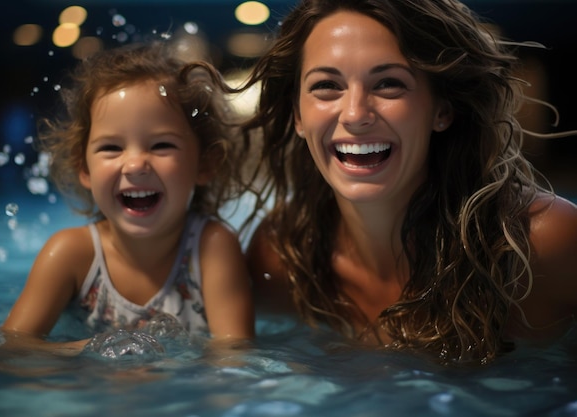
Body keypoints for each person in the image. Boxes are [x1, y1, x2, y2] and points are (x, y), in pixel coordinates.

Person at [238, 0, 577, 365]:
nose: (354, 114)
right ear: (298, 116)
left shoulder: (544, 244)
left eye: (388, 84)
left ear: (442, 110)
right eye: (326, 85)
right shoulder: (284, 258)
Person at [0, 41, 255, 354]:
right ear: (85, 169)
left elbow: (235, 359)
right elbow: (9, 351)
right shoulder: (70, 256)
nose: (135, 165)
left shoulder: (212, 248)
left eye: (162, 145)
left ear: (204, 164)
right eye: (111, 148)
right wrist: (93, 349)